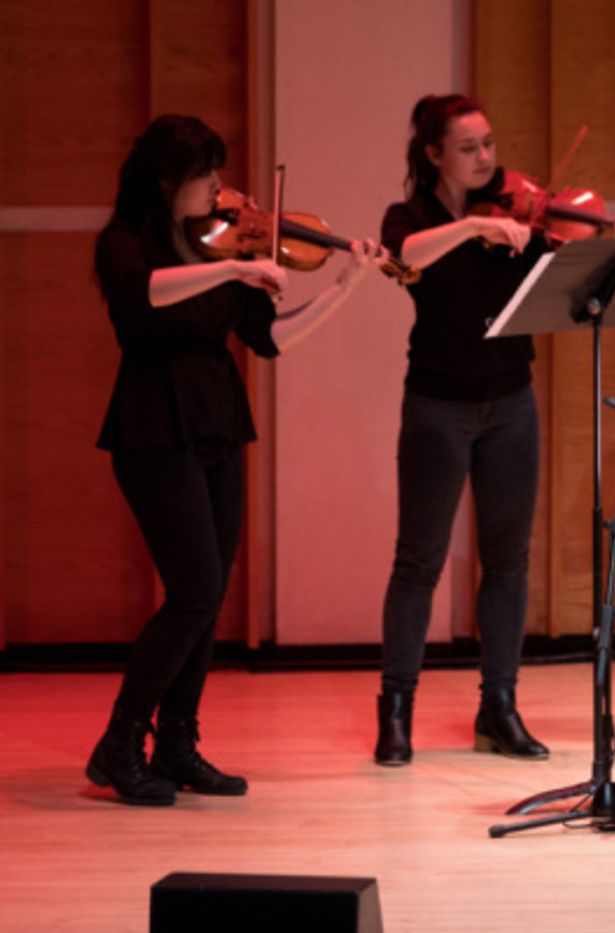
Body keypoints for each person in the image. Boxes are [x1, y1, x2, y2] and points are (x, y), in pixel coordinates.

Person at [87, 114, 383, 806]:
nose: (224, 190)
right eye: (208, 175)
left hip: (218, 424)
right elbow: (143, 296)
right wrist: (237, 266)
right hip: (154, 430)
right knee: (192, 591)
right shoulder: (125, 244)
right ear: (168, 182)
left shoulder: (218, 246)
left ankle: (179, 742)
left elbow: (271, 335)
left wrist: (346, 287)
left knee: (209, 596)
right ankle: (120, 740)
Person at [374, 94, 615, 766]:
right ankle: (396, 707)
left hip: (511, 404)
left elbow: (574, 278)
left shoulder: (522, 215)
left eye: (489, 144)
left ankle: (498, 705)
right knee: (420, 560)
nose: (486, 159)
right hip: (437, 405)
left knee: (509, 560)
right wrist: (472, 228)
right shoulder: (411, 218)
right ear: (434, 154)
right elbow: (403, 256)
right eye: (468, 148)